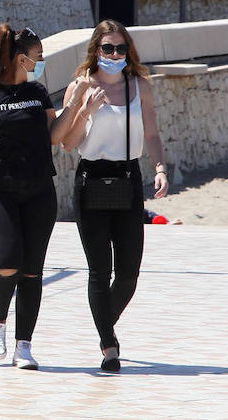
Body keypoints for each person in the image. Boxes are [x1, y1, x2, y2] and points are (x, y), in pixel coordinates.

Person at [0, 24, 79, 370]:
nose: (40, 62)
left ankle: (23, 346)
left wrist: (73, 107)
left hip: (40, 189)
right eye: (37, 57)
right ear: (19, 57)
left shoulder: (38, 92)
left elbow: (54, 134)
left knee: (32, 272)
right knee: (7, 261)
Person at [58, 20, 169, 374]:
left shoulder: (140, 86)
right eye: (108, 48)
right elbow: (68, 143)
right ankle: (109, 345)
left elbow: (151, 133)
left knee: (128, 274)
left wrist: (161, 168)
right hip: (91, 178)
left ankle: (102, 321)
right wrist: (85, 111)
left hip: (128, 178)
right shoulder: (80, 87)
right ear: (95, 51)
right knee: (99, 270)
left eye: (121, 48)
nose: (115, 55)